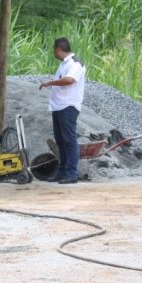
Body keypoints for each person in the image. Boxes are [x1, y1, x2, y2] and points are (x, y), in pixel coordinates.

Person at [39, 37, 86, 184]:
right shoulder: (64, 64)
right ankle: (62, 171)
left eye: (54, 49)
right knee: (60, 140)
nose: (54, 52)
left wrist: (50, 83)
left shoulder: (75, 63)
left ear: (59, 49)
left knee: (69, 140)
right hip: (59, 106)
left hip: (68, 106)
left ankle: (72, 173)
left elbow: (69, 80)